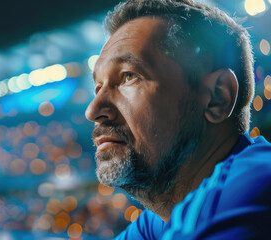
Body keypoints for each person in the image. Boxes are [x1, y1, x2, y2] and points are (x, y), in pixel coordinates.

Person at [85, 0, 271, 239]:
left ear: (217, 97)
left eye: (128, 76)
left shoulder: (240, 198)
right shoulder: (165, 215)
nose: (93, 110)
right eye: (98, 87)